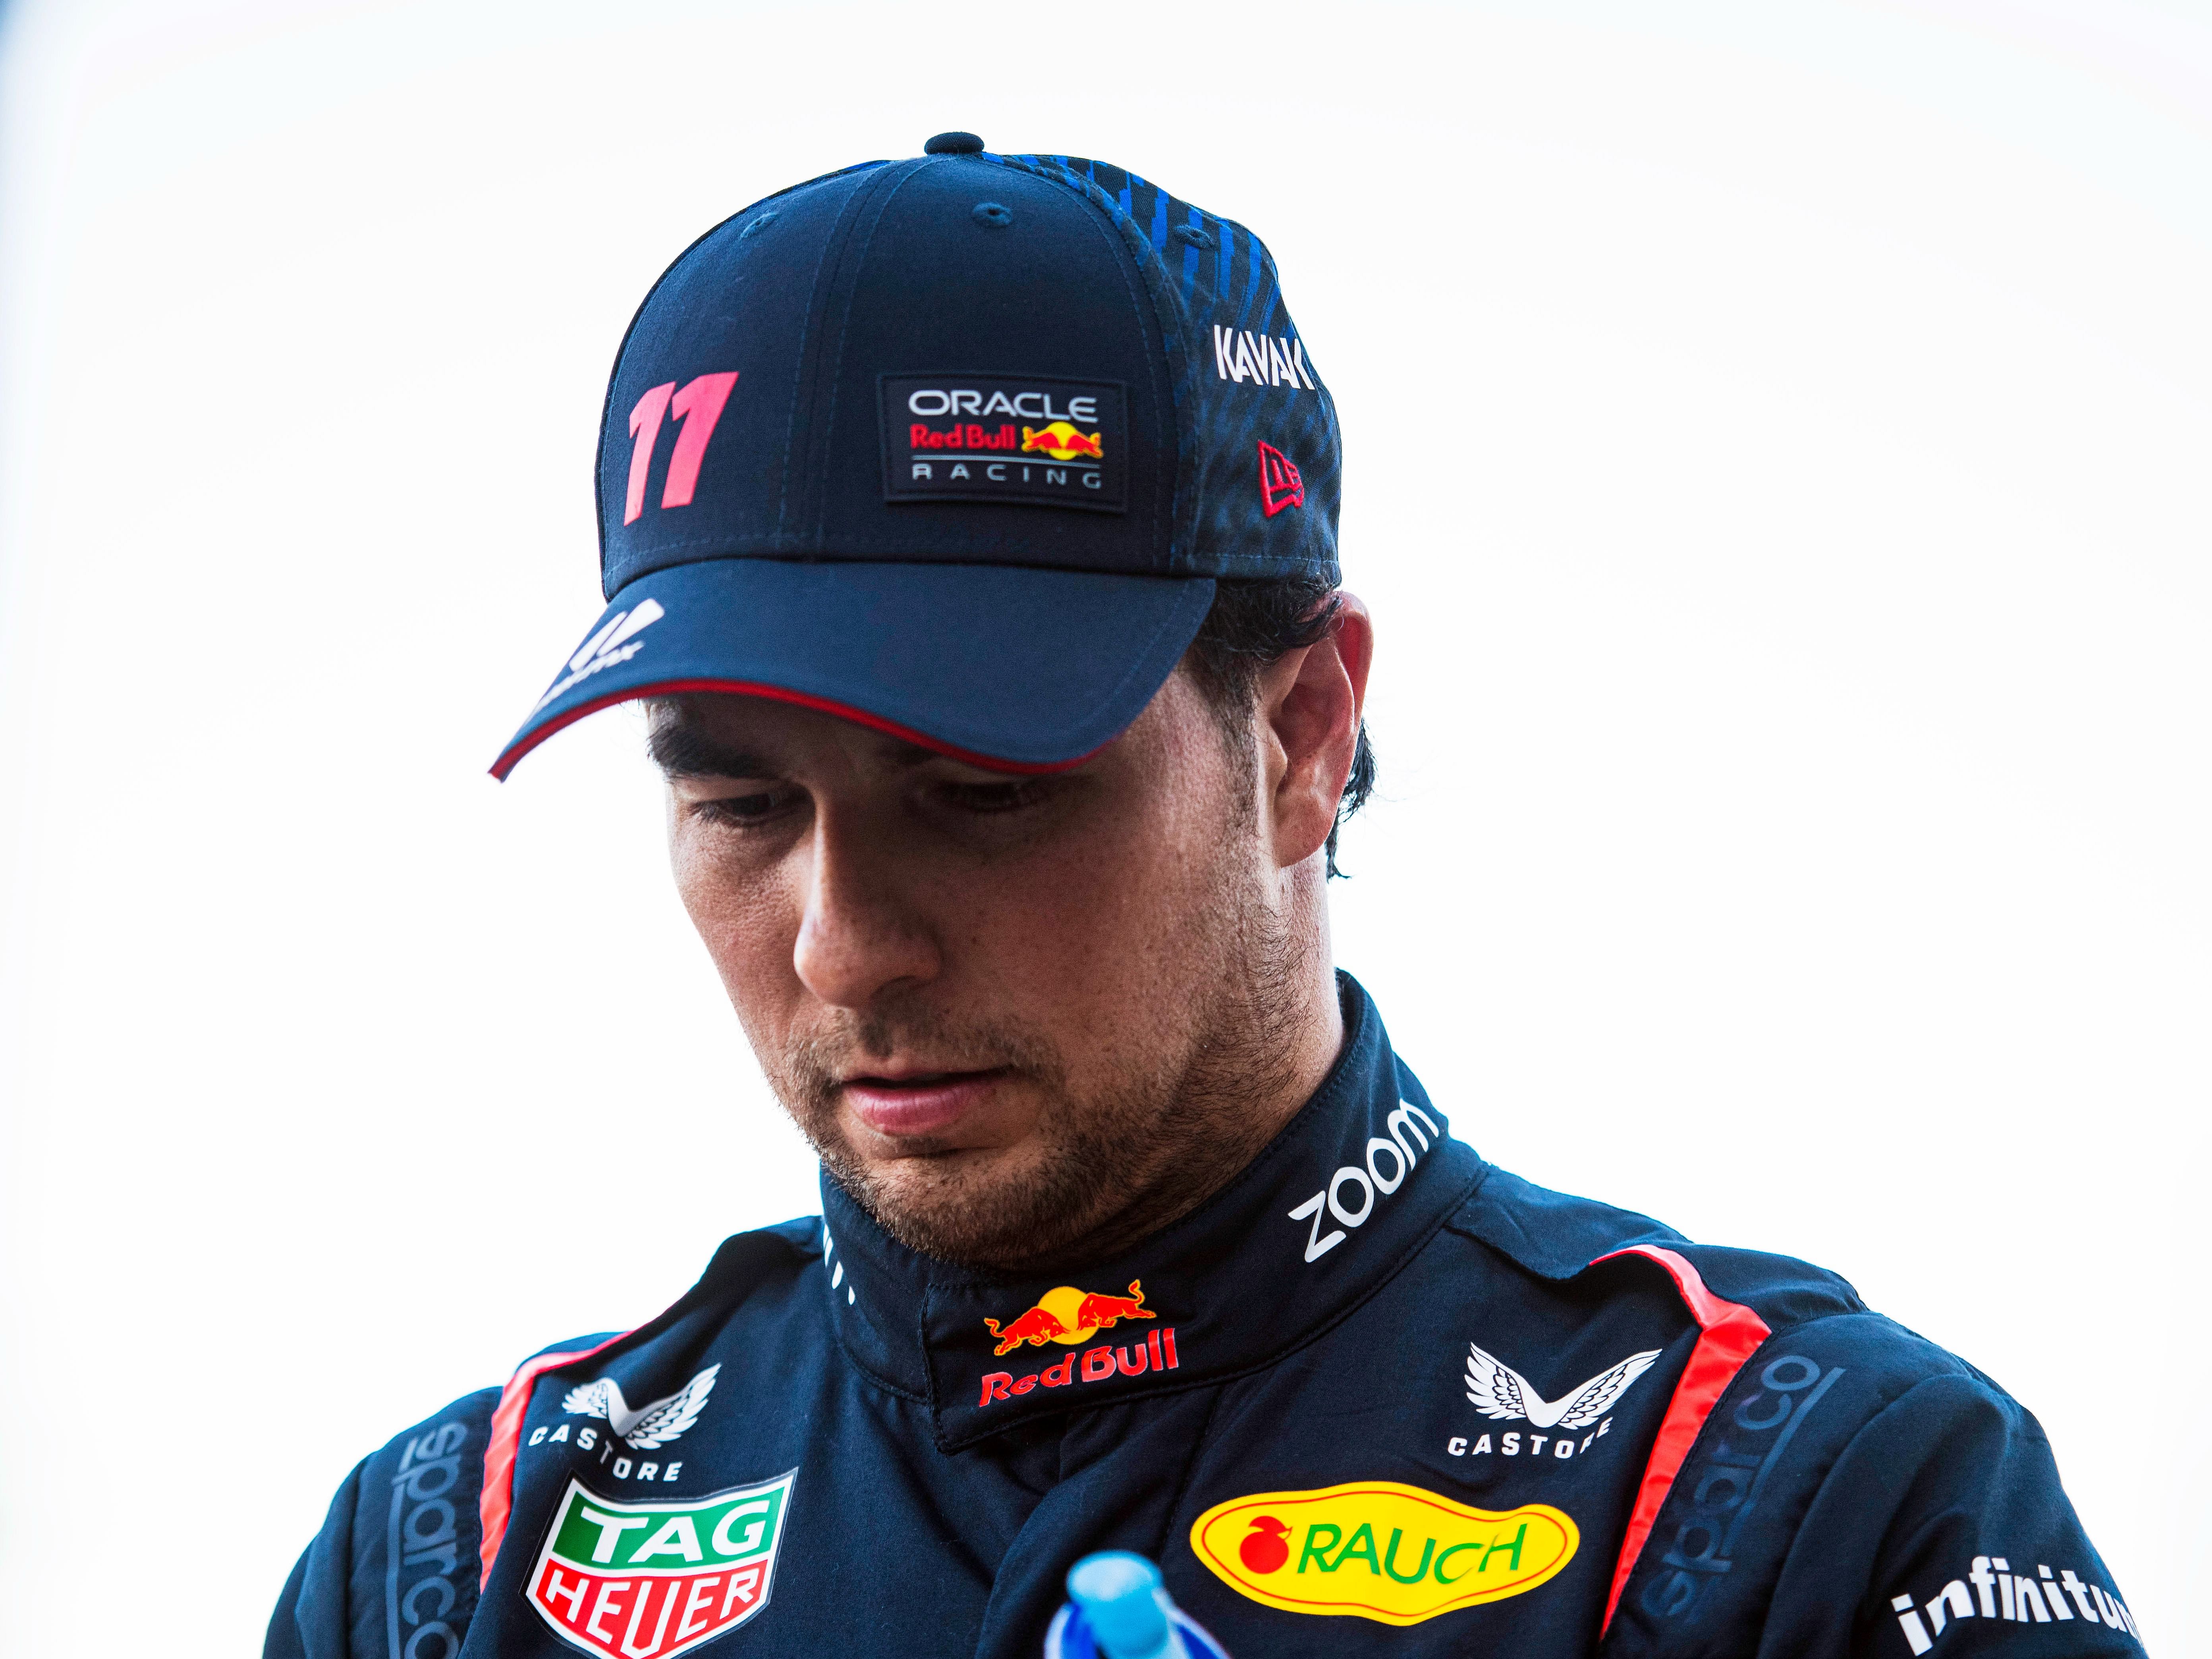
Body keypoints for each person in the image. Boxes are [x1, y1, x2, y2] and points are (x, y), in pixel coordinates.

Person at [265, 133, 2142, 1659]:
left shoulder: (1808, 1501)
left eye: (984, 790)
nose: (844, 944)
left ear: (1305, 731)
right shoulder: (456, 1559)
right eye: (742, 801)